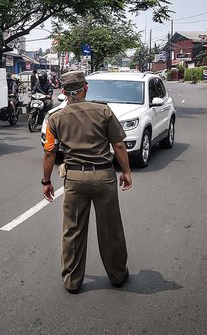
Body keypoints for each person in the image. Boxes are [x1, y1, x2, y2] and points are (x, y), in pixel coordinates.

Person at [41, 70, 132, 294]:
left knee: (72, 230)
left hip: (74, 180)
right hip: (103, 177)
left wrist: (46, 181)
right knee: (111, 229)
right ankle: (118, 276)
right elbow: (119, 145)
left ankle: (72, 281)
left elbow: (49, 153)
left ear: (63, 92)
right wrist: (127, 172)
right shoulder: (103, 111)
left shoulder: (54, 118)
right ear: (86, 88)